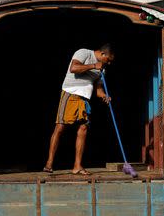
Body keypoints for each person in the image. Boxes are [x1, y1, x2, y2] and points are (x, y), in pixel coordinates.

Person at [44, 44, 115, 175]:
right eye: (108, 59)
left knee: (83, 129)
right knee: (60, 127)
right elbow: (73, 68)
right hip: (70, 93)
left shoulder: (102, 70)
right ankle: (49, 163)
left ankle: (77, 166)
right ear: (102, 54)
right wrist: (93, 66)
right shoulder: (84, 53)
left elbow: (98, 90)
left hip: (84, 100)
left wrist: (105, 96)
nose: (109, 63)